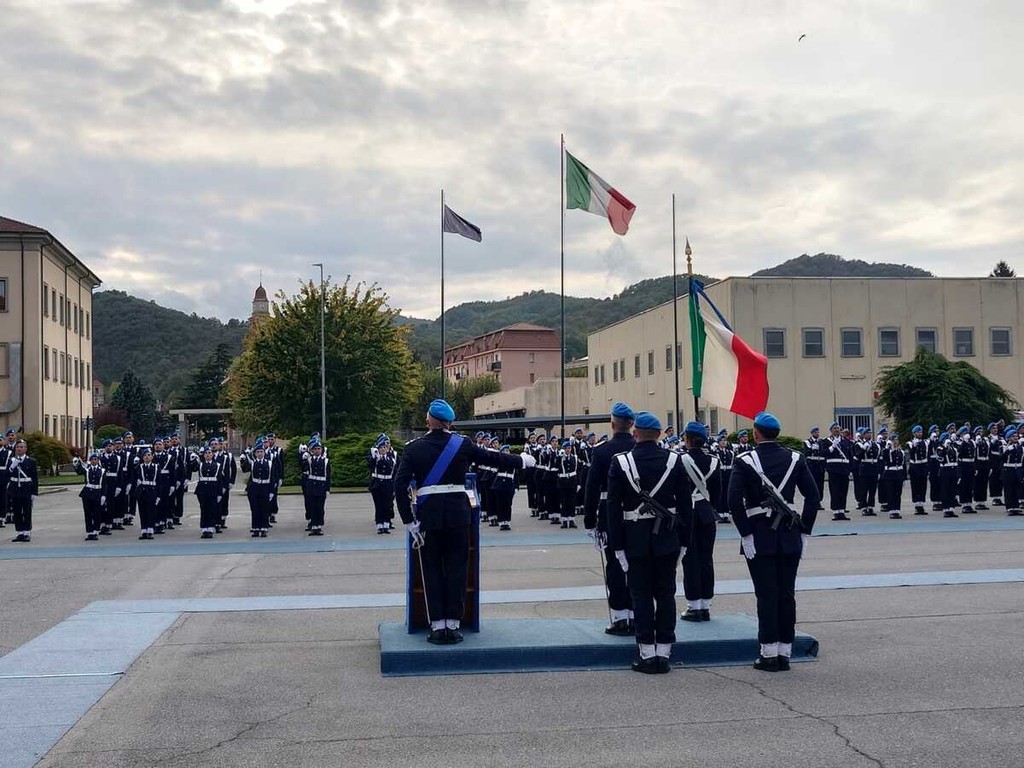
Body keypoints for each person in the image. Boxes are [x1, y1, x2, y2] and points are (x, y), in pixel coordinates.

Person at [394, 399, 536, 645]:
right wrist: (521, 461)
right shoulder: (463, 444)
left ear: (428, 420)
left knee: (432, 570)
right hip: (458, 515)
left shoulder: (413, 448)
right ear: (449, 423)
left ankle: (437, 625)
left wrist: (408, 520)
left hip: (429, 517)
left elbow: (399, 485)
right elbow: (492, 458)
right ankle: (453, 624)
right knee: (457, 569)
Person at [729, 411, 820, 672]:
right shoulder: (795, 458)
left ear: (756, 433)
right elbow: (813, 498)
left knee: (766, 595)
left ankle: (768, 653)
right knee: (786, 594)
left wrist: (745, 533)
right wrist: (804, 531)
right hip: (789, 535)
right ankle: (784, 652)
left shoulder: (744, 460)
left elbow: (733, 500)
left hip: (759, 535)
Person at [606, 411, 692, 674]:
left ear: (635, 434)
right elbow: (685, 505)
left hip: (635, 540)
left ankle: (647, 653)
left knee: (641, 596)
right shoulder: (675, 460)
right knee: (666, 595)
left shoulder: (621, 462)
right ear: (658, 435)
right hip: (667, 539)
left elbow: (613, 509)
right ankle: (664, 652)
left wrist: (617, 546)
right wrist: (684, 542)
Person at [583, 402, 637, 636]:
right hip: (637, 516)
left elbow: (591, 488)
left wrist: (589, 521)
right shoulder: (639, 447)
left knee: (615, 566)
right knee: (636, 566)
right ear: (631, 424)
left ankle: (619, 618)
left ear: (612, 424)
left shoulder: (602, 451)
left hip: (608, 516)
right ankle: (635, 615)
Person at [678, 422, 719, 622]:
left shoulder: (679, 460)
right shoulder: (714, 461)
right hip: (707, 513)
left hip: (687, 514)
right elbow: (717, 493)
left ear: (687, 439)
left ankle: (693, 605)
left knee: (690, 559)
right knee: (706, 559)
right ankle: (706, 605)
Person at [241, 440, 278, 538]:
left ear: (264, 453)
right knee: (255, 509)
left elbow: (272, 478)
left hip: (265, 488)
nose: (260, 453)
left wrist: (272, 491)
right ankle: (256, 528)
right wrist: (244, 458)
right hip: (255, 488)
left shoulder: (269, 463)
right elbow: (244, 469)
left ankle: (264, 528)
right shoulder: (252, 463)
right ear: (255, 453)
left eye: (261, 451)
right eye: (258, 452)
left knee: (264, 509)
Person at [7, 439, 39, 543]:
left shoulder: (31, 461)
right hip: (15, 489)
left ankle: (27, 533)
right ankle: (19, 532)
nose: (19, 449)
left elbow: (35, 478)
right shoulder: (11, 461)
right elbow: (6, 475)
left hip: (26, 489)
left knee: (27, 511)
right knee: (17, 512)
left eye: (21, 447)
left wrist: (34, 492)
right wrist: (12, 467)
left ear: (25, 449)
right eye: (17, 447)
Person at [73, 452, 106, 541]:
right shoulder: (87, 470)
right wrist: (76, 464)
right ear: (90, 461)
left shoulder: (102, 471)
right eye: (92, 460)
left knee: (96, 513)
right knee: (88, 513)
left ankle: (95, 531)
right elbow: (79, 471)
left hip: (97, 492)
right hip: (87, 493)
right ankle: (89, 532)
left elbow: (104, 484)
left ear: (98, 461)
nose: (94, 461)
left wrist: (103, 495)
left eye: (95, 459)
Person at [191, 445, 222, 538]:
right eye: (206, 453)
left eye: (209, 453)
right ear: (203, 455)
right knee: (204, 509)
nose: (208, 455)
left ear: (212, 455)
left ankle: (210, 528)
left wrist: (219, 493)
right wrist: (193, 459)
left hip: (213, 488)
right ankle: (204, 528)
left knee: (212, 509)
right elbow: (192, 468)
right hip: (202, 489)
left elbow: (220, 480)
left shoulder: (217, 465)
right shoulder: (200, 464)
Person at [368, 434, 396, 534]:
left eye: (385, 447)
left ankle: (386, 524)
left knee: (387, 505)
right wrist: (375, 456)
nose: (383, 449)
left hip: (388, 484)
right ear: (378, 449)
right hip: (377, 484)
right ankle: (380, 525)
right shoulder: (376, 458)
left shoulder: (391, 458)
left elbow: (394, 470)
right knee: (379, 505)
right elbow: (370, 465)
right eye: (381, 447)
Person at [825, 423, 853, 520]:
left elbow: (850, 455)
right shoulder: (826, 441)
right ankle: (835, 511)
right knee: (835, 491)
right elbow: (824, 453)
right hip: (833, 469)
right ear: (831, 430)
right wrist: (832, 446)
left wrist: (850, 469)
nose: (837, 430)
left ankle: (842, 511)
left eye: (838, 428)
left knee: (843, 491)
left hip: (844, 469)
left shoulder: (845, 441)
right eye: (834, 428)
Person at [302, 439, 330, 536]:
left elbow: (328, 476)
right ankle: (313, 526)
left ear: (321, 450)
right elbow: (303, 467)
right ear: (312, 450)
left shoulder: (325, 461)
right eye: (315, 449)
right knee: (312, 507)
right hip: (312, 486)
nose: (317, 451)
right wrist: (302, 455)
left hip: (321, 486)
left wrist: (327, 489)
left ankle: (319, 526)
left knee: (320, 507)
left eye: (319, 449)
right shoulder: (309, 460)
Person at [490, 445, 518, 531]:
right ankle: (502, 522)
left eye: (507, 451)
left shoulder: (513, 462)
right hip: (499, 485)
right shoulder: (498, 461)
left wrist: (516, 486)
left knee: (508, 504)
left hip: (509, 484)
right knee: (500, 504)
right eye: (504, 451)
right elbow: (493, 473)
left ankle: (507, 522)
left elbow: (516, 475)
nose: (506, 452)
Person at [135, 447, 160, 540]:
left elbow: (159, 482)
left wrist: (159, 495)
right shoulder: (139, 467)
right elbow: (135, 478)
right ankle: (144, 530)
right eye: (145, 455)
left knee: (151, 511)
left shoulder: (156, 467)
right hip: (142, 491)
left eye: (149, 455)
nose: (147, 457)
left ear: (152, 457)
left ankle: (150, 530)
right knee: (143, 511)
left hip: (152, 490)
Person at [879, 432, 906, 519]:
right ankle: (892, 511)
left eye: (897, 440)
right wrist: (888, 447)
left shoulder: (901, 451)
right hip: (890, 474)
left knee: (898, 493)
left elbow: (903, 465)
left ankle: (897, 510)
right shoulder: (887, 451)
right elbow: (884, 458)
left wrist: (904, 477)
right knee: (891, 493)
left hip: (898, 474)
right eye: (894, 440)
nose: (895, 441)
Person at [907, 425, 930, 515]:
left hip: (923, 466)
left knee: (923, 485)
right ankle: (917, 504)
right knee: (915, 485)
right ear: (914, 433)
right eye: (918, 432)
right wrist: (914, 446)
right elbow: (911, 454)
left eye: (921, 432)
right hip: (915, 466)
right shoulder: (910, 443)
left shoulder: (926, 442)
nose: (920, 434)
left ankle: (921, 504)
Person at [557, 439, 579, 529]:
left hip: (572, 481)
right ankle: (565, 520)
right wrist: (559, 457)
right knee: (564, 501)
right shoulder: (560, 458)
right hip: (563, 481)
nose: (568, 450)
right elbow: (555, 466)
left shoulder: (575, 458)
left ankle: (572, 520)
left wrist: (578, 483)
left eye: (569, 448)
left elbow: (578, 471)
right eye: (566, 448)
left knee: (572, 501)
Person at [858, 430, 881, 516]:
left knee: (872, 489)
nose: (869, 435)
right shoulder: (860, 444)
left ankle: (871, 506)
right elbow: (858, 456)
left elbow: (878, 458)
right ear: (863, 435)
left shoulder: (875, 445)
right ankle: (864, 507)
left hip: (874, 468)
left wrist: (878, 471)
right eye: (867, 433)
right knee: (863, 489)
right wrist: (864, 449)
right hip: (865, 468)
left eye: (870, 433)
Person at [802, 426, 826, 506]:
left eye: (818, 432)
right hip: (812, 465)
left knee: (820, 484)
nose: (817, 434)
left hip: (820, 466)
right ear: (812, 433)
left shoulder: (821, 442)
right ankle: (813, 501)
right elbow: (806, 453)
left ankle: (819, 501)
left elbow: (823, 452)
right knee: (813, 483)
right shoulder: (807, 442)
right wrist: (812, 449)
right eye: (815, 432)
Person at [715, 434, 736, 524]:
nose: (724, 442)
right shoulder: (716, 453)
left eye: (725, 441)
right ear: (718, 442)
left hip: (728, 475)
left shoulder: (730, 453)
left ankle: (726, 515)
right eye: (722, 441)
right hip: (720, 475)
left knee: (726, 494)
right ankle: (720, 515)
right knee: (720, 494)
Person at [955, 426, 976, 514]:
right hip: (963, 465)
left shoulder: (971, 442)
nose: (966, 435)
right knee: (963, 485)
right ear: (961, 435)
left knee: (970, 485)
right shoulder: (958, 443)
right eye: (964, 433)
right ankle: (964, 505)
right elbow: (958, 454)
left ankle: (969, 504)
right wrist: (964, 442)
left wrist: (975, 467)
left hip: (970, 465)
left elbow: (974, 455)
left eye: (967, 433)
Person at [1000, 427, 1021, 516]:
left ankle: (1016, 507)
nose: (1015, 437)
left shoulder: (1020, 447)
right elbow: (1001, 458)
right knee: (1009, 489)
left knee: (1016, 489)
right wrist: (1008, 450)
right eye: (1013, 436)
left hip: (1017, 470)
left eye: (1016, 436)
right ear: (1008, 438)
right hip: (1008, 470)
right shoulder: (1005, 447)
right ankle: (1009, 507)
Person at [0, 428, 18, 528]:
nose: (10, 437)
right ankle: (6, 516)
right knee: (6, 497)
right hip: (4, 475)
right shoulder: (6, 447)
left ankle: (14, 515)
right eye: (9, 435)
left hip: (10, 474)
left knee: (12, 496)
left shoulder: (17, 447)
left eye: (12, 435)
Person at [973, 426, 990, 511]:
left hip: (985, 463)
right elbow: (974, 455)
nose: (981, 433)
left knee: (984, 483)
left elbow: (988, 453)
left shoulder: (985, 441)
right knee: (978, 483)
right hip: (979, 463)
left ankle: (982, 501)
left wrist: (989, 465)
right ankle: (978, 502)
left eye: (981, 431)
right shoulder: (975, 441)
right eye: (979, 432)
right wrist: (975, 466)